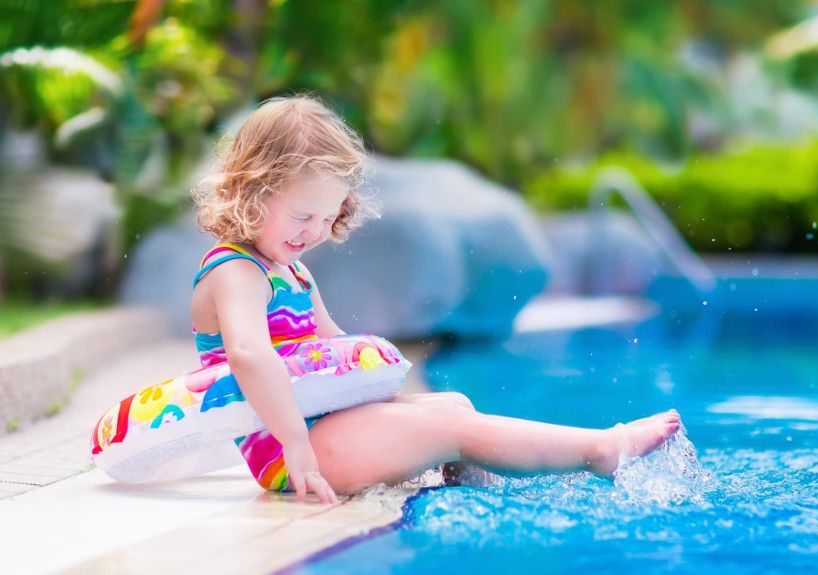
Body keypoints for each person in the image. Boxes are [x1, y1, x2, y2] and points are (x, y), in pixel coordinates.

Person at [192, 95, 681, 504]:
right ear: (253, 191)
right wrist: (296, 443)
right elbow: (250, 355)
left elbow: (332, 345)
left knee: (455, 404)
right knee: (453, 431)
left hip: (323, 429)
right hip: (288, 449)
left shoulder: (292, 273)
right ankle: (601, 448)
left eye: (327, 217)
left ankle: (485, 506)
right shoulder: (236, 271)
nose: (317, 232)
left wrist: (389, 397)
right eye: (304, 216)